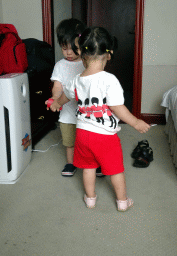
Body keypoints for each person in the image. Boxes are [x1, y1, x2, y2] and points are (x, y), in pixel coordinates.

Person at [49, 26, 151, 211]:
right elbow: (117, 108)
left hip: (82, 134)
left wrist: (57, 103)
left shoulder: (76, 80)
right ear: (109, 54)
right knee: (115, 169)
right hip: (104, 137)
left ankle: (90, 199)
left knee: (88, 168)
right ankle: (122, 202)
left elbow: (66, 96)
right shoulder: (109, 80)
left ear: (81, 52)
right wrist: (135, 122)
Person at [45, 19, 104, 177]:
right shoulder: (60, 66)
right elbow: (57, 86)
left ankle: (96, 163)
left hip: (88, 113)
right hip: (68, 114)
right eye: (64, 49)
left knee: (91, 140)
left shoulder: (88, 64)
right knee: (69, 141)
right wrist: (55, 99)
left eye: (73, 48)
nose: (68, 53)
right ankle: (71, 163)